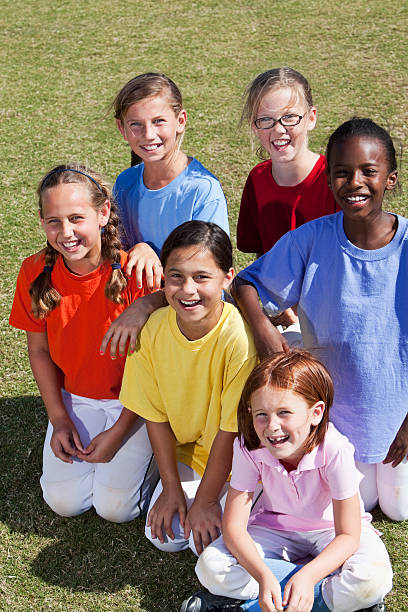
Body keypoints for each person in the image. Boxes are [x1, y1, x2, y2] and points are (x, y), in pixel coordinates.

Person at [231, 118, 408, 522]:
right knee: (350, 504)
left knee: (400, 508)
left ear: (391, 179)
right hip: (335, 419)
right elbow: (246, 283)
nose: (355, 183)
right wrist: (262, 331)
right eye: (342, 173)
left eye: (369, 171)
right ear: (329, 181)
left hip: (400, 414)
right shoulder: (310, 239)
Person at [182, 351, 392, 612]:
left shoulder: (335, 449)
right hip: (274, 529)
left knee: (372, 578)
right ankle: (328, 602)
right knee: (210, 566)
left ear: (316, 413)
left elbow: (348, 535)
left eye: (284, 412)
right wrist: (262, 575)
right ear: (250, 412)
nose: (272, 426)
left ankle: (247, 606)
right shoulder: (248, 447)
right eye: (261, 414)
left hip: (331, 533)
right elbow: (234, 528)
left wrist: (308, 576)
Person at [9, 164, 158, 522]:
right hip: (74, 399)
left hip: (134, 404)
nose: (66, 232)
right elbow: (39, 350)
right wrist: (59, 418)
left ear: (103, 213)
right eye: (54, 222)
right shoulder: (34, 271)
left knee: (116, 509)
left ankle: (154, 462)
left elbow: (155, 368)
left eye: (77, 218)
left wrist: (120, 431)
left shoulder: (135, 273)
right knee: (65, 502)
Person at [119, 221, 257, 555]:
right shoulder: (151, 331)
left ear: (227, 278)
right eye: (176, 276)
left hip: (236, 456)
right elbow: (154, 416)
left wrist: (207, 500)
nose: (187, 289)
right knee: (164, 538)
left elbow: (230, 431)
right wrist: (171, 488)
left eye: (202, 277)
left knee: (206, 547)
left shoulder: (236, 338)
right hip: (187, 452)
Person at [237, 68, 338, 338]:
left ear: (311, 118)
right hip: (282, 320)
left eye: (290, 117)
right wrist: (278, 308)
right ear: (254, 124)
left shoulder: (335, 180)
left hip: (332, 315)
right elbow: (262, 256)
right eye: (266, 120)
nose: (278, 129)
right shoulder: (257, 179)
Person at [112, 72, 229, 290]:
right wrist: (138, 249)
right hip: (139, 306)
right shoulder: (125, 182)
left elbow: (210, 275)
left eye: (158, 121)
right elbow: (116, 249)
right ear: (122, 129)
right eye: (136, 124)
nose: (148, 134)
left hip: (190, 312)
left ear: (180, 121)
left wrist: (151, 256)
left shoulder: (202, 190)